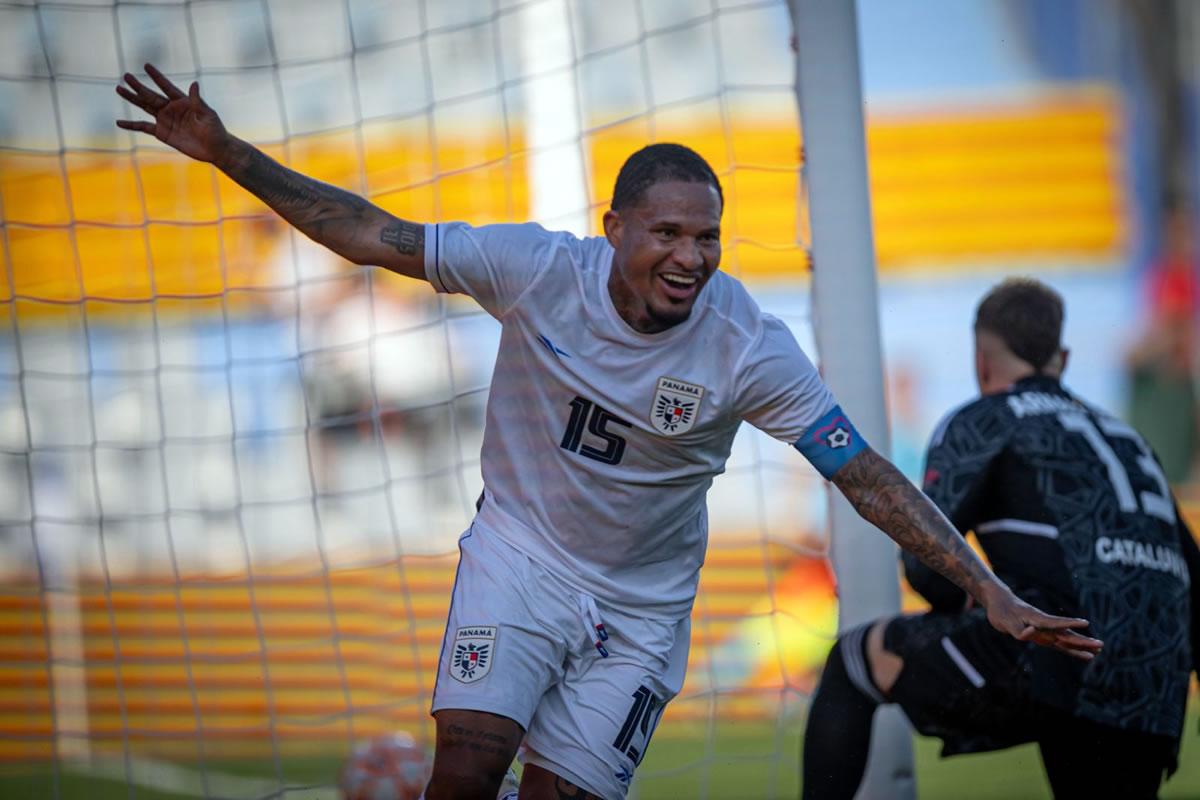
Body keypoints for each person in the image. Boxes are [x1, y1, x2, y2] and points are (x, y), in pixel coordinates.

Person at [116, 66, 1101, 800]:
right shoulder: (534, 268)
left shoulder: (747, 344)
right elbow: (369, 234)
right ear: (616, 227)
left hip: (642, 608)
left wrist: (984, 586)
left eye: (707, 236)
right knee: (464, 762)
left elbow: (861, 471)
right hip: (521, 554)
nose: (690, 256)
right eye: (667, 232)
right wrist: (230, 153)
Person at [801, 278, 1200, 800]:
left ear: (982, 359)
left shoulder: (982, 420)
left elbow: (928, 569)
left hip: (1052, 646)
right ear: (1063, 356)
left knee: (855, 659)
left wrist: (971, 597)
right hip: (1153, 672)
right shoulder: (1127, 438)